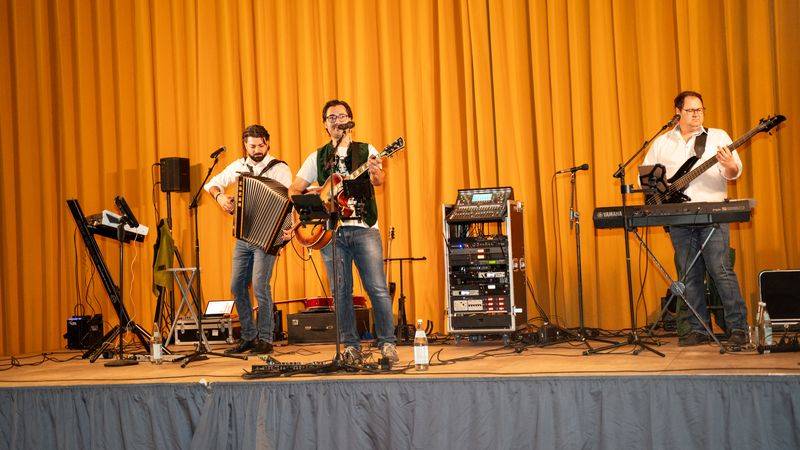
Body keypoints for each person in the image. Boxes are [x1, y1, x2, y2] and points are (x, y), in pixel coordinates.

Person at [288, 99, 398, 363]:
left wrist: (375, 172)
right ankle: (350, 346)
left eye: (341, 116)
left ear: (350, 120)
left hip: (364, 229)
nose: (337, 121)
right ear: (325, 125)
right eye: (332, 117)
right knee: (340, 292)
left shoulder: (367, 150)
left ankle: (387, 343)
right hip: (331, 233)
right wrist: (318, 195)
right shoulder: (317, 157)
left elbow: (378, 181)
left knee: (377, 288)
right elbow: (294, 190)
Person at [643, 91, 748, 347]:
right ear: (678, 112)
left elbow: (734, 172)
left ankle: (738, 328)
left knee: (720, 270)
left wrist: (729, 163)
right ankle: (697, 329)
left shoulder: (717, 136)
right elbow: (645, 177)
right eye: (690, 110)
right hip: (678, 216)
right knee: (689, 275)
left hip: (713, 213)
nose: (696, 114)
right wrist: (664, 191)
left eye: (700, 110)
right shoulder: (662, 142)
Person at [204, 124, 292, 354]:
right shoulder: (239, 166)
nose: (257, 150)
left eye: (261, 145)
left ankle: (266, 339)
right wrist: (220, 198)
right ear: (245, 145)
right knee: (237, 286)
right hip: (244, 236)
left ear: (267, 143)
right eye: (252, 146)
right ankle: (248, 337)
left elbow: (288, 202)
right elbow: (211, 184)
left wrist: (288, 230)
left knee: (260, 286)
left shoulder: (280, 169)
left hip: (268, 237)